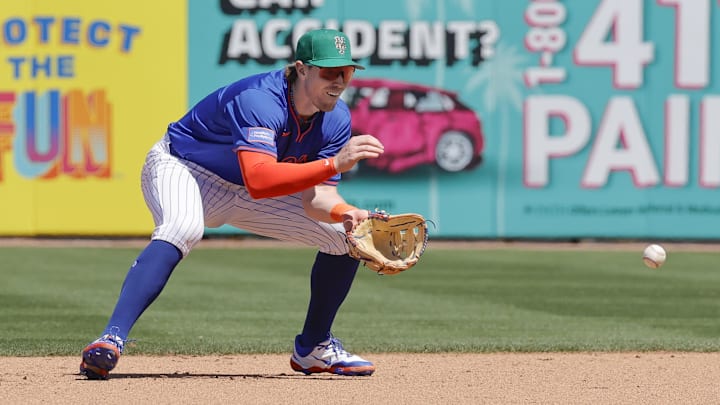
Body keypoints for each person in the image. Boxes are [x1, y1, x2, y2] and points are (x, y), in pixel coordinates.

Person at [79, 28, 386, 379]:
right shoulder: (259, 98)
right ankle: (111, 339)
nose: (339, 80)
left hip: (244, 190)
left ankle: (313, 349)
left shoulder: (336, 118)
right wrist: (334, 163)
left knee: (345, 239)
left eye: (346, 72)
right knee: (183, 228)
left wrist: (347, 213)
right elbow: (259, 179)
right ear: (301, 69)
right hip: (186, 169)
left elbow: (317, 197)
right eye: (329, 71)